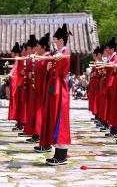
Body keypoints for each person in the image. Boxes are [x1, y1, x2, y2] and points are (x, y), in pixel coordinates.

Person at [39, 23, 72, 166]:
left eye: (55, 39)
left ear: (61, 41)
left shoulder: (64, 53)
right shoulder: (58, 54)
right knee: (55, 117)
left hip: (60, 88)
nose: (53, 41)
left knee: (60, 118)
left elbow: (59, 68)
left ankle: (61, 156)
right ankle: (58, 154)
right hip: (55, 87)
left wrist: (51, 63)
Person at [26, 33, 50, 143]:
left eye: (39, 46)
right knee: (36, 112)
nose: (37, 48)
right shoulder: (41, 57)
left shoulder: (47, 57)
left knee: (40, 112)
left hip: (42, 88)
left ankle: (39, 134)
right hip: (37, 87)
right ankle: (36, 133)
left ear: (43, 48)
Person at [104, 37, 117, 137]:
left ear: (112, 49)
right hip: (109, 83)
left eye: (107, 49)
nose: (106, 50)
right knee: (110, 107)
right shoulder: (111, 58)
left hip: (113, 84)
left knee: (113, 107)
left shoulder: (116, 59)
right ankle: (112, 129)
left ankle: (114, 130)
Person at [7, 42, 23, 131]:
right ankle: (19, 122)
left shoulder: (18, 61)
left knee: (19, 104)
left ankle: (20, 123)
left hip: (18, 85)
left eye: (12, 53)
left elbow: (15, 70)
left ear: (16, 54)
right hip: (17, 84)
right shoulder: (17, 61)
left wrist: (10, 73)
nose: (11, 54)